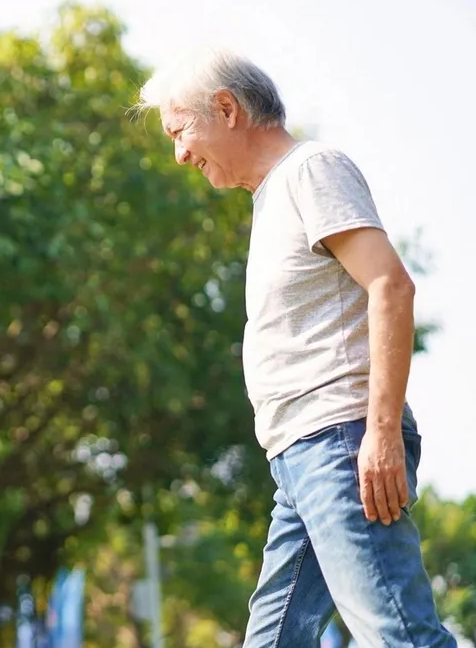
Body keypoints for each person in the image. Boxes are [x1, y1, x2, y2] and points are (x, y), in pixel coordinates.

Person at [134, 49, 456, 647]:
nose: (179, 154)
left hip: (342, 441)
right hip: (300, 459)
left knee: (399, 638)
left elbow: (391, 285)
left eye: (180, 132)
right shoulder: (273, 196)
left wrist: (379, 433)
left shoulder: (312, 169)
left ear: (226, 108)